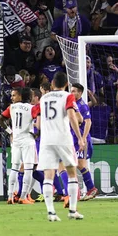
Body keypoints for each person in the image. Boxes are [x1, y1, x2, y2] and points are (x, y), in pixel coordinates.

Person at [36, 71, 85, 222]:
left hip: (46, 140)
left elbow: (38, 122)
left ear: (52, 84)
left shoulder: (43, 98)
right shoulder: (67, 96)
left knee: (48, 176)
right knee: (71, 173)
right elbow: (72, 116)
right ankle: (72, 210)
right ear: (66, 85)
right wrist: (79, 138)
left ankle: (51, 212)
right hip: (63, 138)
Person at [0, 88, 40, 205]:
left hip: (15, 140)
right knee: (28, 169)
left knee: (14, 168)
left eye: (14, 95)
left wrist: (10, 132)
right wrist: (37, 134)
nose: (12, 97)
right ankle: (23, 197)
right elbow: (39, 121)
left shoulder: (12, 107)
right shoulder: (32, 108)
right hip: (27, 140)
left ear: (20, 96)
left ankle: (10, 197)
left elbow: (0, 119)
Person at [70, 83, 99, 202]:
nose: (72, 93)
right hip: (73, 139)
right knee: (76, 164)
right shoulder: (71, 104)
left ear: (80, 93)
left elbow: (88, 122)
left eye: (74, 91)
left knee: (80, 164)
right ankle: (82, 190)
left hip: (81, 140)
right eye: (71, 91)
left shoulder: (82, 105)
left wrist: (83, 138)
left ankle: (91, 188)